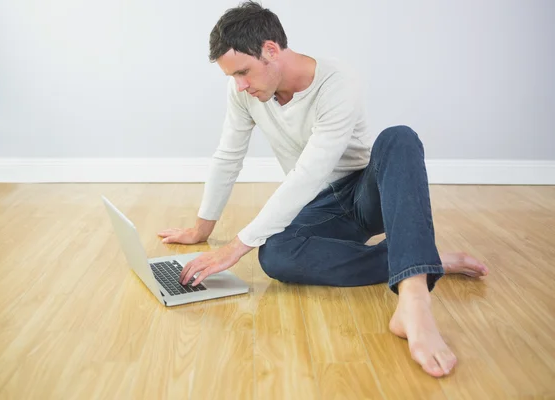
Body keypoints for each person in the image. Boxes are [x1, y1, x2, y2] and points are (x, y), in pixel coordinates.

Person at [157, 1, 488, 378]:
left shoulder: (338, 81)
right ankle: (424, 258)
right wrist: (202, 229)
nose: (240, 85)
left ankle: (414, 301)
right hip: (319, 205)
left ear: (270, 50)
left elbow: (310, 172)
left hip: (364, 194)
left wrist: (235, 248)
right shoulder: (244, 94)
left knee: (399, 139)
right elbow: (228, 155)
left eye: (244, 72)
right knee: (276, 256)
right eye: (232, 77)